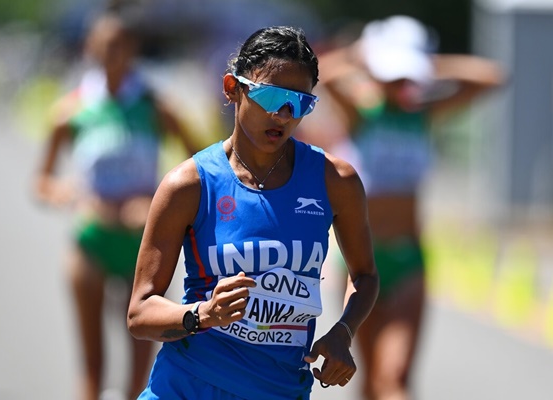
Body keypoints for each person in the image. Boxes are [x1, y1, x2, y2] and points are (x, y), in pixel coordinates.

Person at [127, 26, 379, 400]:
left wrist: (344, 330)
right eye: (271, 96)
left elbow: (365, 275)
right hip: (186, 385)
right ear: (232, 88)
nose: (283, 114)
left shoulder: (335, 180)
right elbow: (139, 313)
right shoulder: (189, 184)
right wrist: (203, 314)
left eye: (299, 103)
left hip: (279, 390)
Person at [304, 15, 504, 400]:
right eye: (392, 74)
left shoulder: (423, 114)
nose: (400, 83)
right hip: (361, 262)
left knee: (395, 377)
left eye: (405, 75)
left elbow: (491, 77)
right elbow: (320, 74)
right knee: (369, 380)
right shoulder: (361, 112)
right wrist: (361, 54)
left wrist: (428, 64)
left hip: (408, 259)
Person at [33, 10, 198, 400]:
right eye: (104, 45)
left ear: (133, 48)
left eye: (120, 45)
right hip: (92, 238)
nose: (112, 53)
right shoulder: (72, 109)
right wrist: (73, 196)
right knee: (92, 366)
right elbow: (42, 182)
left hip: (143, 242)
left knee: (140, 367)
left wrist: (157, 203)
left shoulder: (155, 105)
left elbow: (200, 164)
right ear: (90, 48)